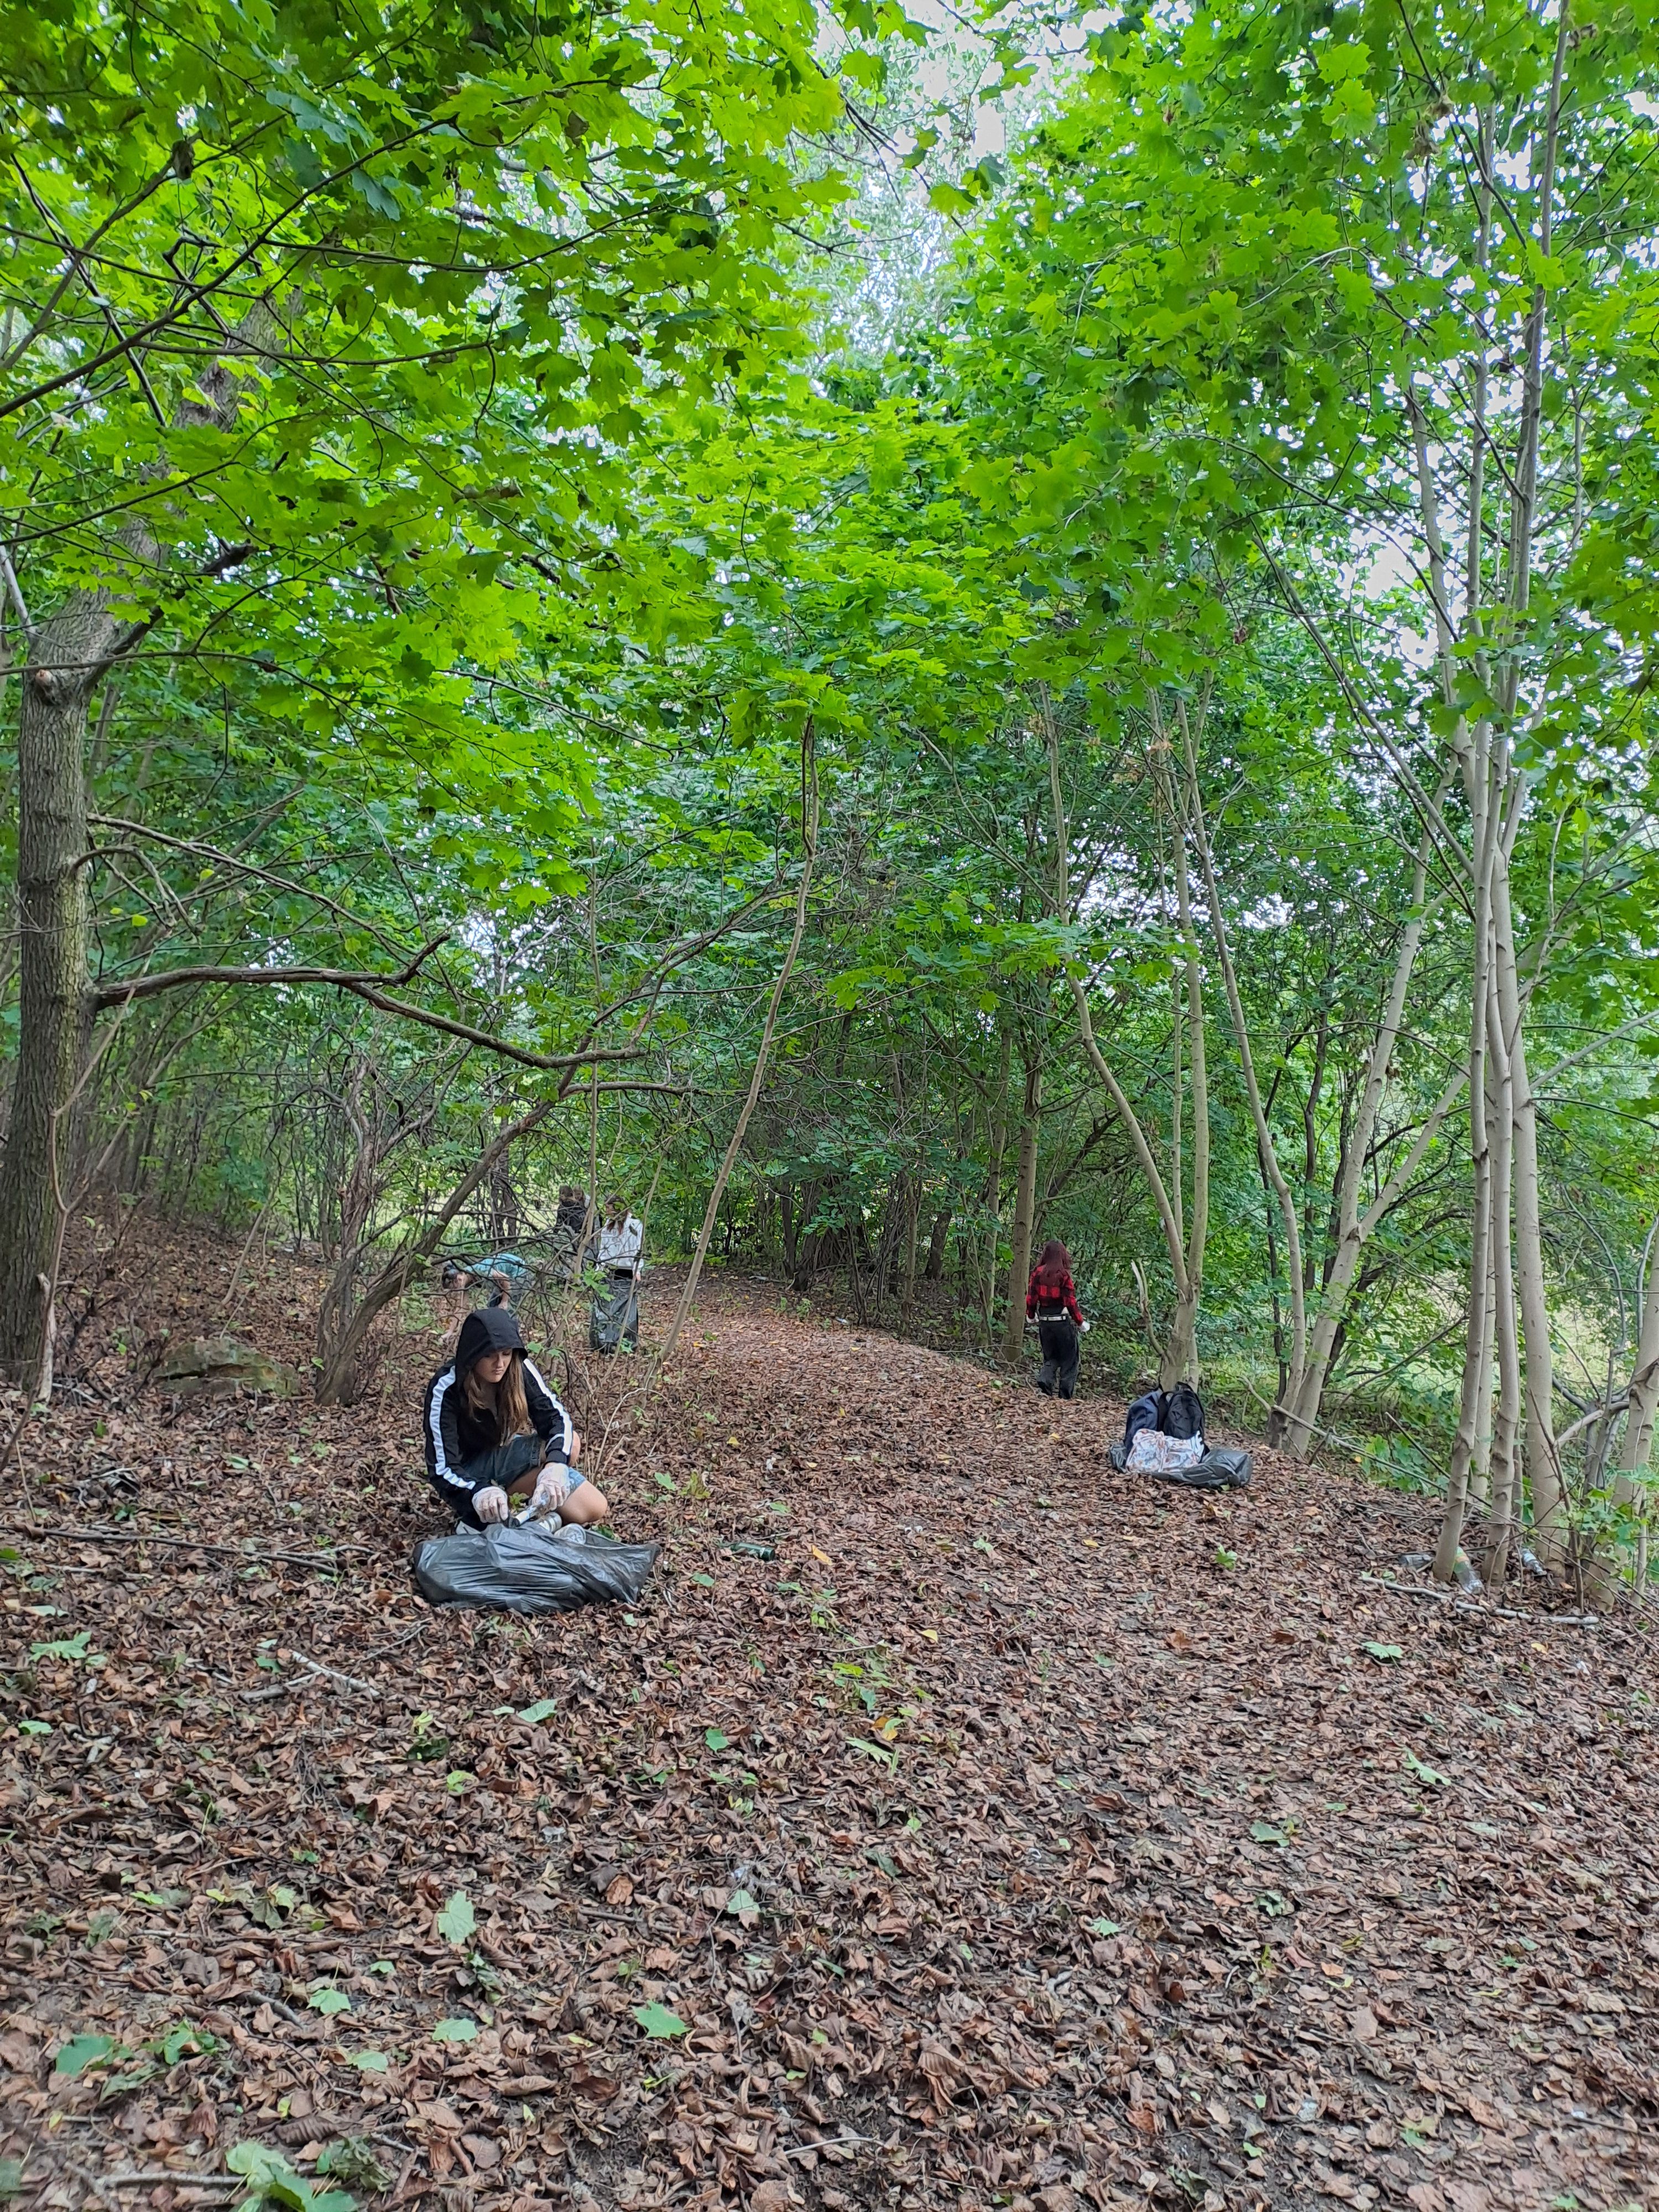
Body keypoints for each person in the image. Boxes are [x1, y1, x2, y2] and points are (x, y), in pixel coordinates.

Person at [424, 1307, 608, 1533]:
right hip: (467, 1475)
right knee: (566, 1450)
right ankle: (479, 1516)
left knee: (593, 1506)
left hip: (500, 1457)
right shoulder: (447, 1388)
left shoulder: (518, 1369)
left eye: (506, 1353)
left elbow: (556, 1419)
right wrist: (478, 1492)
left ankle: (529, 1520)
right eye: (489, 1355)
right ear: (472, 1355)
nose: (499, 1364)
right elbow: (442, 1467)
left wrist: (555, 1467)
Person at [1026, 1237, 1087, 1399]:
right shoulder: (1064, 1275)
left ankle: (1045, 1383)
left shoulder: (1037, 1273)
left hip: (1045, 1323)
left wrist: (1031, 1316)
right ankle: (1065, 1396)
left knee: (1050, 1357)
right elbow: (1070, 1302)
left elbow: (1031, 1298)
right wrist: (1080, 1322)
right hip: (1062, 1323)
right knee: (1069, 1359)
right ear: (1062, 1255)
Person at [591, 1192, 644, 1353]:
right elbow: (604, 1250)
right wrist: (598, 1270)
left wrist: (637, 1270)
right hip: (609, 1271)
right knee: (607, 1307)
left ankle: (625, 1342)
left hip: (627, 1271)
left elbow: (637, 1249)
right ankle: (605, 1342)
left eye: (608, 1207)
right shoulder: (608, 1226)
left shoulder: (635, 1225)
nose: (606, 1211)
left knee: (626, 1310)